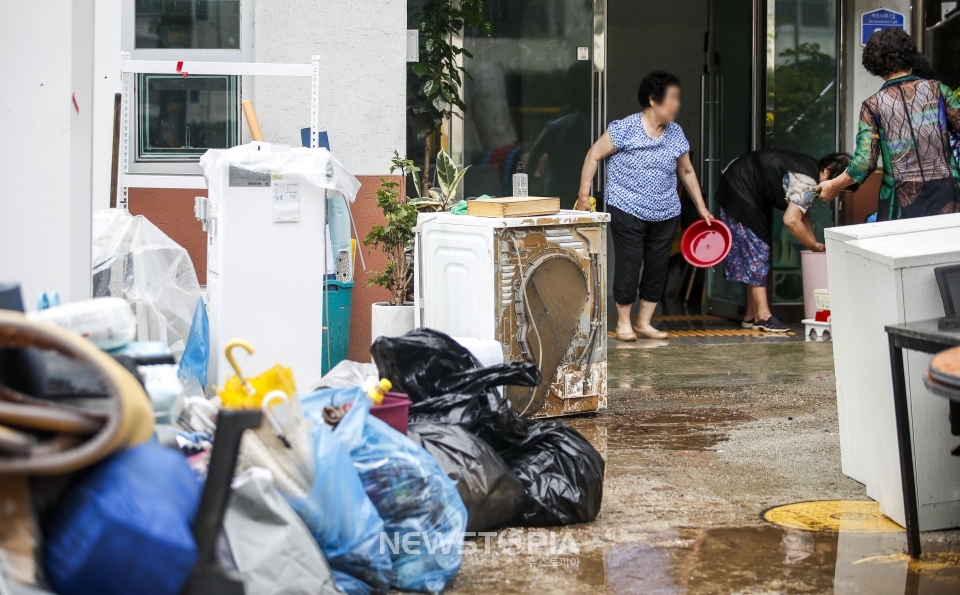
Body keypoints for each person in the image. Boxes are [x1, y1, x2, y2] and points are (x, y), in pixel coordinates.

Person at [576, 71, 712, 341]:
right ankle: (624, 324)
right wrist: (583, 196)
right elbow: (593, 155)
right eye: (671, 99)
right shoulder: (624, 128)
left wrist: (701, 207)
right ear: (652, 99)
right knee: (629, 263)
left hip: (666, 211)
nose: (676, 105)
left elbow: (686, 171)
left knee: (657, 265)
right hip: (626, 206)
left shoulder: (675, 133)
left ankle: (644, 322)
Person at [816, 28, 960, 218]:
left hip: (900, 201)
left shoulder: (873, 106)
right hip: (948, 194)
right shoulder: (938, 91)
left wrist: (833, 184)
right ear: (911, 56)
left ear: (874, 64)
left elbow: (864, 163)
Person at [716, 150, 853, 332]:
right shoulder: (807, 182)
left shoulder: (811, 170)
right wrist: (812, 245)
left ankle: (751, 314)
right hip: (740, 187)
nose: (836, 194)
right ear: (828, 171)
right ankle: (763, 317)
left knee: (756, 249)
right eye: (838, 187)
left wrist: (813, 244)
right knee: (758, 250)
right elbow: (791, 220)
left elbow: (803, 213)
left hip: (738, 181)